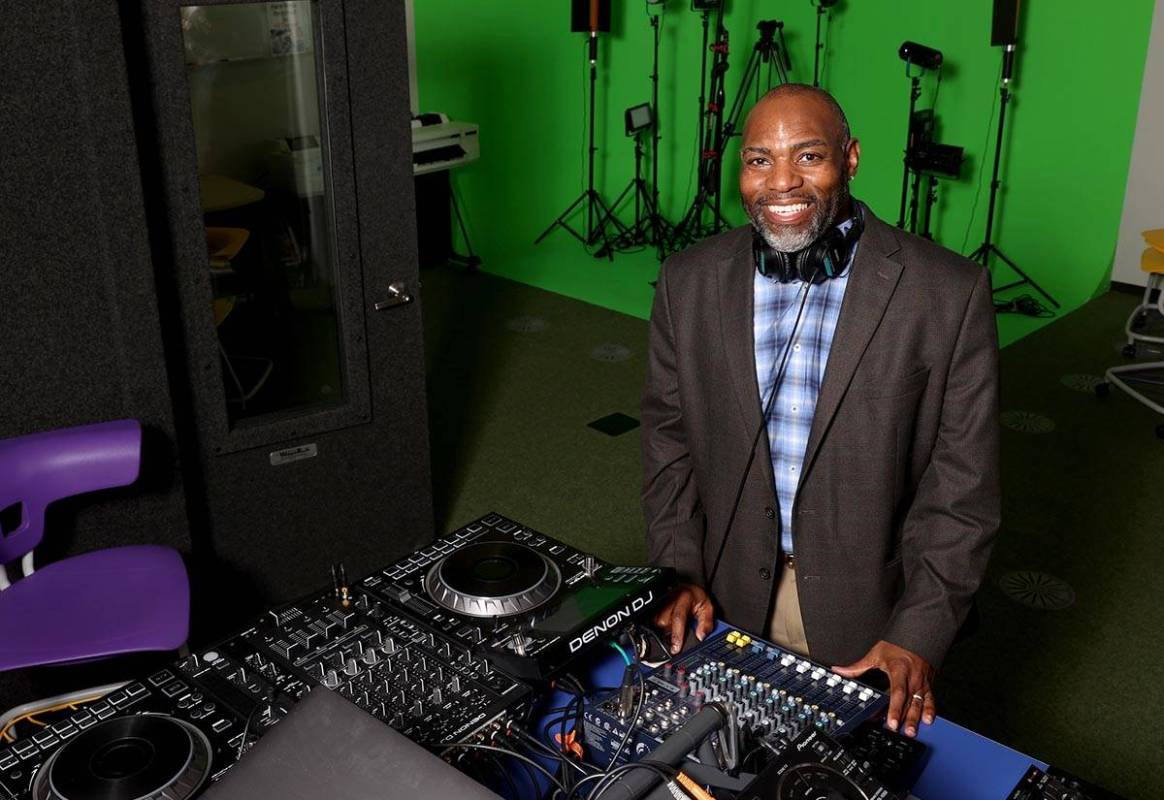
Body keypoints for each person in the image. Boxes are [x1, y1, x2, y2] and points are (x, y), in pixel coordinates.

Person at [641, 84, 1000, 739]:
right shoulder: (685, 281)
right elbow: (668, 444)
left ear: (852, 158)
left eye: (809, 156)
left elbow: (963, 491)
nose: (781, 181)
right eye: (758, 160)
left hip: (870, 620)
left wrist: (917, 632)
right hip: (720, 596)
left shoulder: (948, 293)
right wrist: (678, 572)